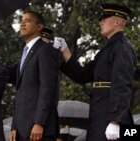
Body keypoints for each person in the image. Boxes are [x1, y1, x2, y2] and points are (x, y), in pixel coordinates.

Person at [53, 3, 137, 141]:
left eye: (105, 18)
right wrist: (65, 51)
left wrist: (116, 121)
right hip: (100, 114)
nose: (100, 21)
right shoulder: (106, 50)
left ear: (117, 21)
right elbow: (82, 75)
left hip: (110, 117)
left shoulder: (122, 47)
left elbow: (122, 85)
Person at [9, 11, 60, 141]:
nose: (22, 23)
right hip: (22, 128)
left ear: (39, 27)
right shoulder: (25, 53)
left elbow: (47, 89)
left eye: (28, 21)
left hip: (38, 129)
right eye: (21, 20)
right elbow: (21, 92)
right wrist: (15, 125)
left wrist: (39, 122)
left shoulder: (45, 50)